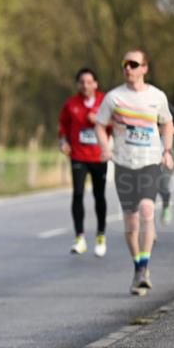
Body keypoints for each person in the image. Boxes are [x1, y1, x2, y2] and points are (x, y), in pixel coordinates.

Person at [94, 49, 173, 295]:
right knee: (130, 219)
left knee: (147, 209)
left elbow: (167, 123)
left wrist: (167, 150)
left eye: (134, 64)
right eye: (125, 64)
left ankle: (144, 267)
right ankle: (137, 265)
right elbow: (99, 124)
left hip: (150, 161)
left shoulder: (156, 96)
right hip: (124, 163)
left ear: (144, 68)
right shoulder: (114, 97)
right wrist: (105, 148)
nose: (128, 68)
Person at [58, 67, 108, 256]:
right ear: (78, 84)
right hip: (78, 155)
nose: (85, 85)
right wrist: (63, 141)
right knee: (78, 194)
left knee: (99, 195)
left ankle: (101, 236)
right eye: (82, 82)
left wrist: (99, 120)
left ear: (95, 84)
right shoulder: (71, 104)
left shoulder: (105, 101)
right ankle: (79, 238)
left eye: (89, 82)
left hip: (99, 156)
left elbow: (117, 122)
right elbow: (63, 125)